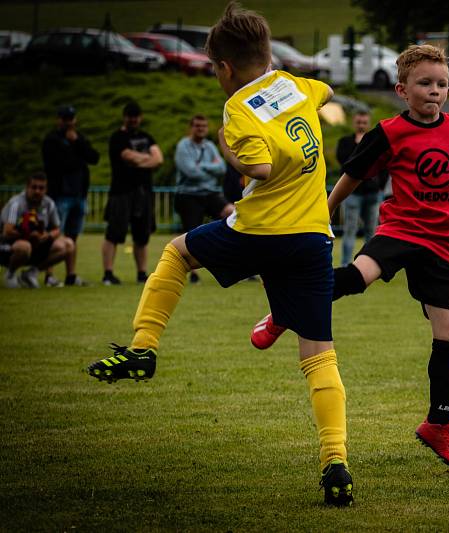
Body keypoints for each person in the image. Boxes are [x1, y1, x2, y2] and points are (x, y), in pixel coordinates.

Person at [85, 3, 352, 507]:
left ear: (224, 68)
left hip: (260, 230)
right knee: (320, 353)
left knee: (178, 252)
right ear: (268, 54)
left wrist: (234, 147)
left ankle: (143, 348)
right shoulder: (295, 85)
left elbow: (260, 168)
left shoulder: (237, 108)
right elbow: (327, 91)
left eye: (213, 68)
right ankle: (335, 463)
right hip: (314, 235)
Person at [252, 44, 449, 472]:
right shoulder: (390, 132)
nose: (435, 91)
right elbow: (352, 175)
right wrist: (327, 211)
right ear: (402, 90)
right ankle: (284, 309)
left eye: (442, 84)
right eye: (425, 83)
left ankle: (439, 425)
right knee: (357, 276)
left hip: (442, 245)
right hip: (400, 230)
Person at [102, 101, 163, 285]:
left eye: (136, 117)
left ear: (140, 118)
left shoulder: (147, 137)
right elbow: (127, 156)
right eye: (130, 116)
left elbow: (158, 159)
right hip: (121, 191)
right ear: (125, 117)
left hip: (143, 192)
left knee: (142, 234)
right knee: (114, 233)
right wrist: (147, 159)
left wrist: (139, 160)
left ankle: (141, 273)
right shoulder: (117, 137)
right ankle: (108, 273)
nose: (133, 120)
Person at [41, 104, 99, 286]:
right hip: (60, 196)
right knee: (55, 236)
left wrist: (77, 143)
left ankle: (71, 275)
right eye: (65, 119)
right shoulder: (51, 140)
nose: (68, 122)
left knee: (73, 237)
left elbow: (94, 158)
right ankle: (49, 275)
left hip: (78, 195)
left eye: (71, 119)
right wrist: (76, 154)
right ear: (58, 120)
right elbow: (58, 164)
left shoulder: (78, 138)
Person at [174, 114, 233, 283]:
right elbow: (190, 172)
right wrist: (209, 169)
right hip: (189, 194)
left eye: (204, 126)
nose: (201, 129)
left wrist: (202, 167)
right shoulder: (183, 146)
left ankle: (235, 264)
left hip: (210, 193)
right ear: (190, 128)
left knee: (233, 215)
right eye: (197, 126)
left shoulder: (209, 146)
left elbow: (221, 168)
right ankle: (193, 274)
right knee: (191, 233)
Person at [1, 173, 74, 288]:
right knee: (24, 246)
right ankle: (10, 273)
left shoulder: (49, 203)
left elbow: (57, 229)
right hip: (8, 246)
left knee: (68, 244)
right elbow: (7, 232)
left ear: (46, 189)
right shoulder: (16, 203)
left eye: (41, 188)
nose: (37, 191)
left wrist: (48, 235)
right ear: (27, 187)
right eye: (34, 187)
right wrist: (28, 234)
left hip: (35, 245)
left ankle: (31, 273)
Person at [335, 110, 383, 266]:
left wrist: (380, 186)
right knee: (350, 230)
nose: (361, 125)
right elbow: (345, 161)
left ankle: (369, 265)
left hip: (372, 192)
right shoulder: (345, 142)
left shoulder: (374, 140)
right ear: (354, 123)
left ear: (368, 123)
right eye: (359, 122)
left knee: (371, 231)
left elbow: (384, 165)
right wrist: (360, 144)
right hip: (352, 193)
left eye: (364, 122)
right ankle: (345, 264)